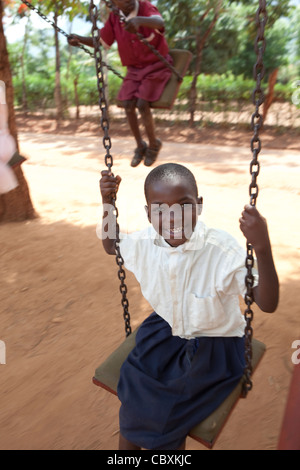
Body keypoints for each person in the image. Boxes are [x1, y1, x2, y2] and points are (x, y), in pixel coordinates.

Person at [99, 163, 279, 450]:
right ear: (149, 214)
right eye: (159, 208)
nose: (172, 217)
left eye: (183, 205)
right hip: (165, 331)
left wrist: (262, 248)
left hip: (214, 347)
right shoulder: (145, 242)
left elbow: (267, 303)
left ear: (199, 205)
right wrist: (108, 202)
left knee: (167, 414)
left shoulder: (222, 251)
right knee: (134, 387)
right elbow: (111, 246)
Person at [68, 0, 172, 167]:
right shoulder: (114, 17)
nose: (129, 1)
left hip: (156, 66)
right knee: (127, 104)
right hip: (134, 70)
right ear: (113, 4)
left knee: (142, 103)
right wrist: (79, 39)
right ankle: (140, 145)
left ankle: (153, 144)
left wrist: (140, 21)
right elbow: (102, 42)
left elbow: (159, 22)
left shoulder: (145, 7)